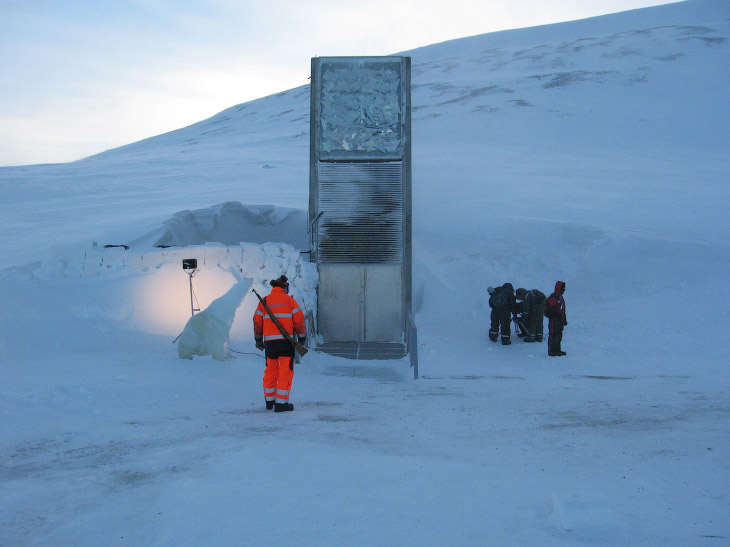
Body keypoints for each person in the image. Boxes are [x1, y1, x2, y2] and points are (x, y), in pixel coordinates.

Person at [253, 275, 306, 412]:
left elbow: (257, 321)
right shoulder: (289, 301)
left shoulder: (264, 301)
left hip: (270, 343)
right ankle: (281, 403)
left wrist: (258, 339)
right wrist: (301, 338)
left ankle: (269, 402)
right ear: (285, 288)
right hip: (286, 343)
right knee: (285, 372)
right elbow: (299, 320)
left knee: (270, 370)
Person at [545, 281, 567, 356]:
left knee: (559, 335)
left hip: (559, 320)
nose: (564, 290)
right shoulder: (554, 297)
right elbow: (553, 310)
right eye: (563, 288)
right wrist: (556, 317)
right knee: (553, 335)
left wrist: (564, 319)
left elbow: (562, 309)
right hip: (554, 320)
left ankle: (557, 349)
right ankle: (551, 351)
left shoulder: (560, 297)